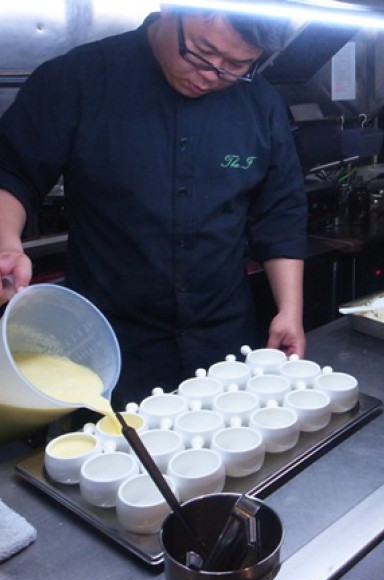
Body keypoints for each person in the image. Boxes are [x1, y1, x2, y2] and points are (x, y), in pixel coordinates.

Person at [0, 4, 308, 409]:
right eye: (201, 51)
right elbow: (13, 172)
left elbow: (280, 212)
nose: (211, 74)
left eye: (236, 65)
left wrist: (290, 311)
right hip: (110, 343)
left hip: (225, 341)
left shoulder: (261, 103)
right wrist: (6, 243)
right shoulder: (77, 78)